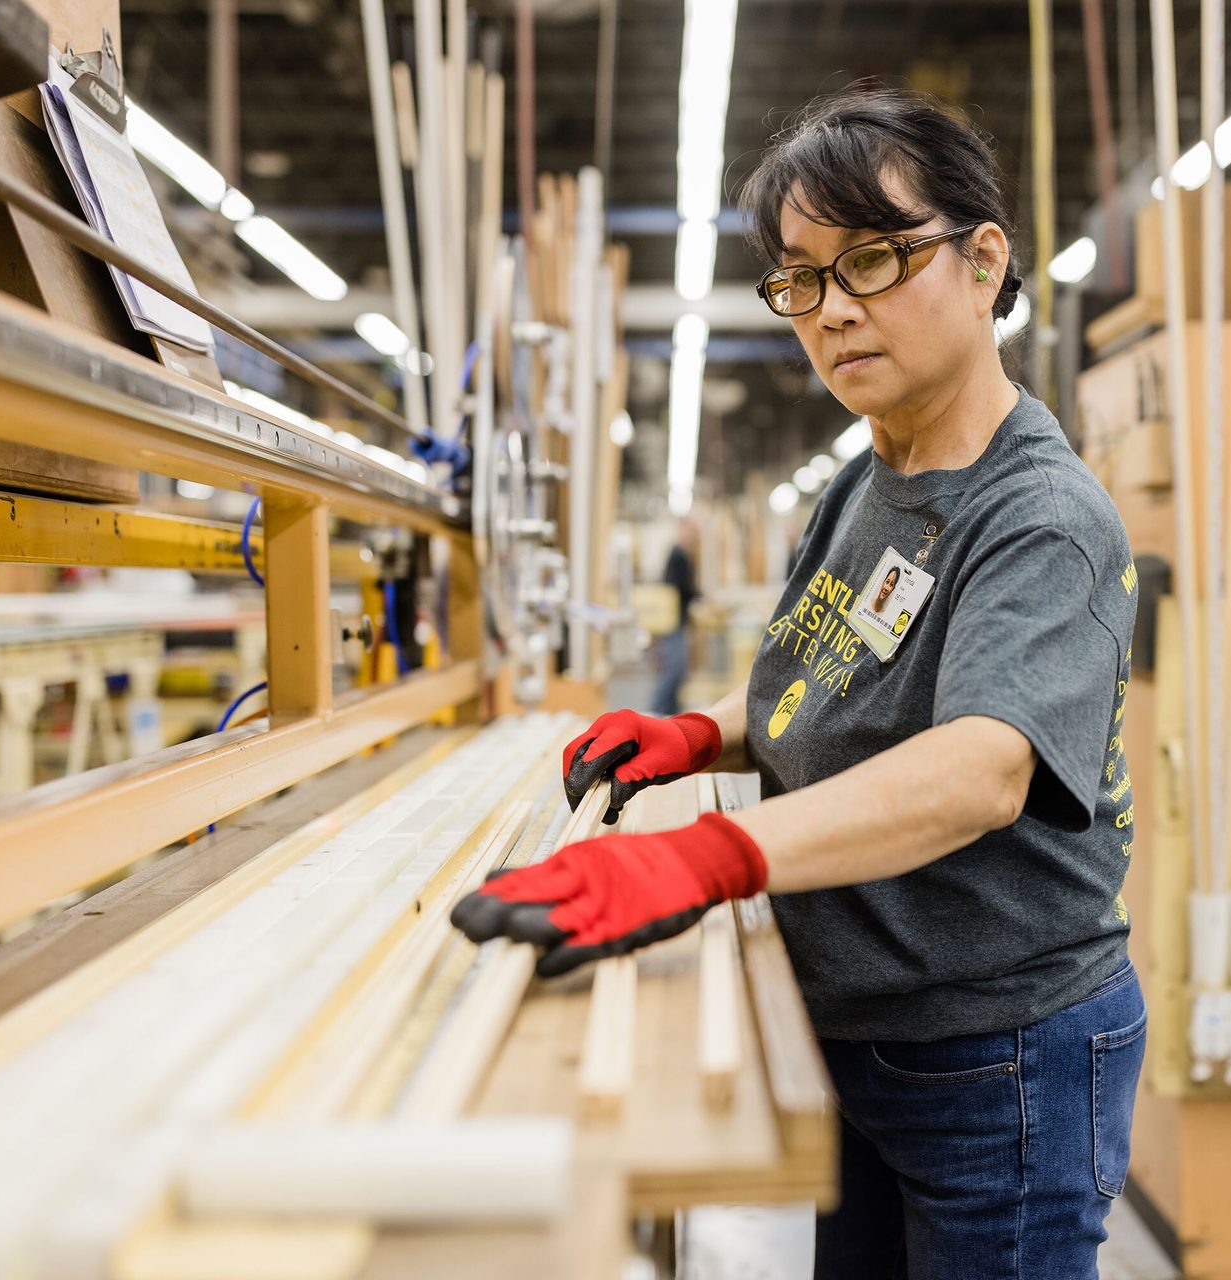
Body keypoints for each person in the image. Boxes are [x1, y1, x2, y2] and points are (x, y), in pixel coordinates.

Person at [453, 87, 1143, 1279]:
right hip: (866, 1023)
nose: (832, 311)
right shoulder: (870, 475)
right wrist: (694, 735)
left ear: (985, 261)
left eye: (872, 259)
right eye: (802, 279)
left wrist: (706, 857)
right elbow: (818, 685)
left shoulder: (1042, 516)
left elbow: (979, 767)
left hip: (1000, 1049)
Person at [653, 517, 700, 716]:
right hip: (673, 621)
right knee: (673, 671)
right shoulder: (678, 554)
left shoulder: (680, 554)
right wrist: (699, 595)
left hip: (676, 620)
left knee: (678, 672)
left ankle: (671, 714)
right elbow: (679, 588)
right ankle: (657, 711)